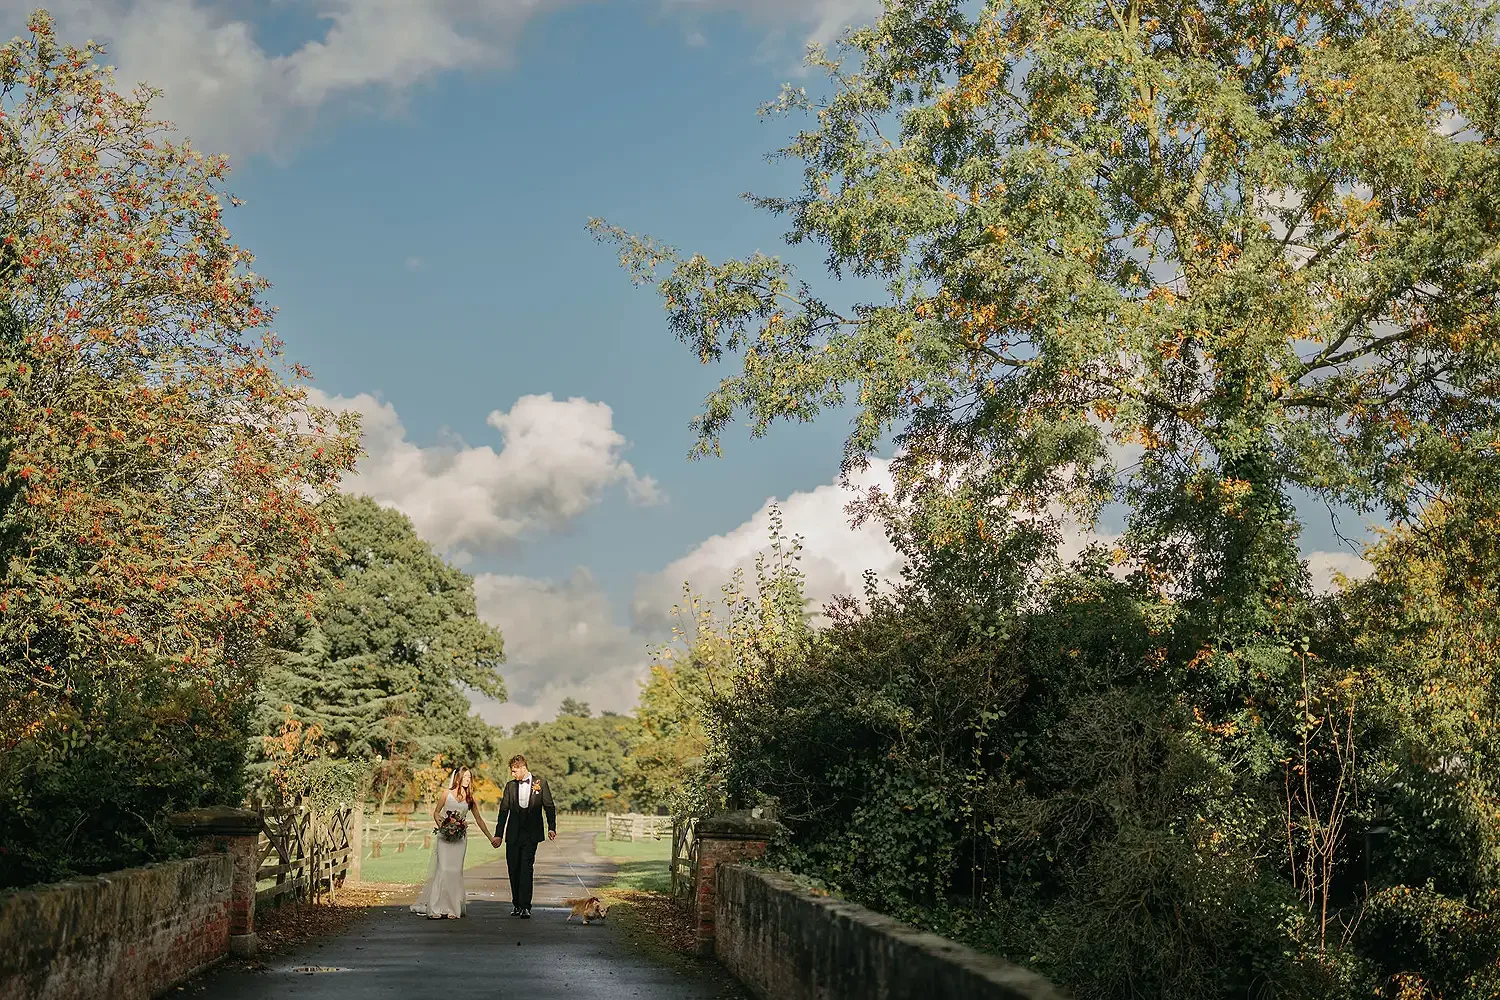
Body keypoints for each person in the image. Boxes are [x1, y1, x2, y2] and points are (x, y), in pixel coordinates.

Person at [410, 765, 497, 919]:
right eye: (465, 776)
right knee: (443, 869)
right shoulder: (446, 794)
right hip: (444, 837)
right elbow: (436, 813)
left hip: (460, 839)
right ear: (458, 778)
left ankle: (452, 908)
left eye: (469, 777)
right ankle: (435, 908)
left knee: (455, 871)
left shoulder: (470, 799)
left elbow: (479, 820)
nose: (467, 779)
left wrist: (491, 838)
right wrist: (443, 827)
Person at [493, 753, 556, 918]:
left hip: (531, 835)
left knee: (526, 869)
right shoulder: (510, 786)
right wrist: (498, 834)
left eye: (514, 771)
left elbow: (549, 806)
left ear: (522, 768)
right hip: (513, 834)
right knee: (513, 869)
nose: (512, 774)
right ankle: (516, 905)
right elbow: (503, 811)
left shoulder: (540, 783)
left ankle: (526, 906)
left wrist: (552, 827)